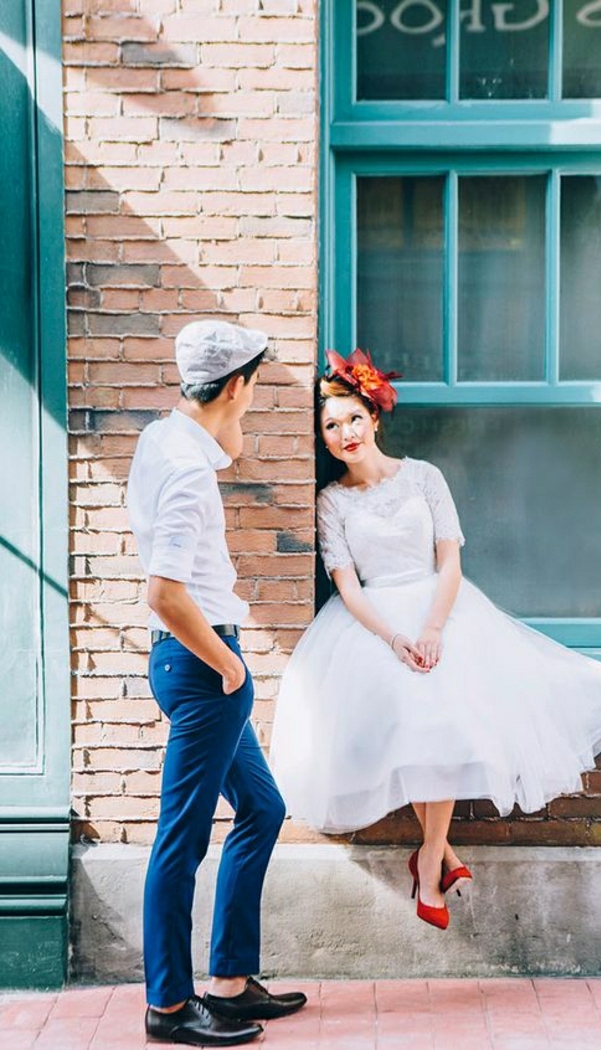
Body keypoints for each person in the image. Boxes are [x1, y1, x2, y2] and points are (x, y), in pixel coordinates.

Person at [270, 348, 601, 931]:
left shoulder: (424, 476)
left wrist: (431, 628)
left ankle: (427, 858)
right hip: (372, 625)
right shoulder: (332, 501)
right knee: (425, 732)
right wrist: (395, 638)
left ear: (374, 417)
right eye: (330, 426)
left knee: (442, 727)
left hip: (443, 612)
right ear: (323, 438)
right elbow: (348, 586)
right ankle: (437, 855)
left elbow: (449, 562)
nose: (344, 433)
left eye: (352, 419)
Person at [127, 320, 307, 1047]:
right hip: (203, 668)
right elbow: (163, 591)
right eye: (255, 384)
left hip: (198, 668)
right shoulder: (186, 468)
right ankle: (168, 1007)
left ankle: (229, 983)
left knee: (262, 810)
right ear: (236, 385)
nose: (256, 397)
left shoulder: (164, 440)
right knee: (183, 837)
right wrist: (230, 667)